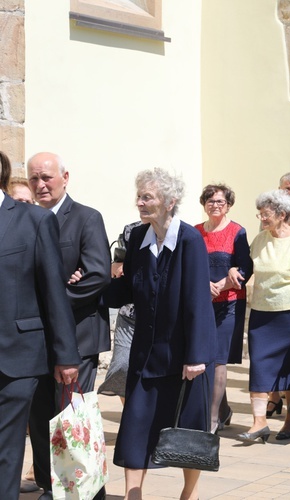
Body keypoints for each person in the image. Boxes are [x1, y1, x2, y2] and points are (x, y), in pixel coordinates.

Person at [104, 167, 216, 499]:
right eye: (139, 196)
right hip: (146, 353)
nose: (139, 202)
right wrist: (93, 286)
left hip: (183, 357)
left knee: (187, 430)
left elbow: (197, 300)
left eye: (147, 197)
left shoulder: (190, 240)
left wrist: (197, 356)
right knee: (135, 426)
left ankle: (189, 492)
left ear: (170, 201)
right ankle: (133, 493)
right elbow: (127, 289)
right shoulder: (138, 237)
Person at [27, 152, 111, 499]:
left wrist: (55, 296)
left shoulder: (86, 218)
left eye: (46, 177)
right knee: (40, 418)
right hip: (37, 339)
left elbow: (96, 274)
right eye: (34, 179)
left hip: (78, 338)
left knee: (73, 418)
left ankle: (84, 489)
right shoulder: (27, 219)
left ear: (64, 177)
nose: (40, 184)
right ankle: (50, 485)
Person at [0, 155, 80, 500]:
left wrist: (66, 356)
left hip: (17, 356)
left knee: (7, 449)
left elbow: (53, 291)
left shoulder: (34, 220)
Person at [241, 189, 290, 442]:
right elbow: (246, 270)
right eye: (260, 214)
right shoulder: (260, 239)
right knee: (260, 367)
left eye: (266, 215)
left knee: (288, 370)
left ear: (282, 215)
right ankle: (259, 422)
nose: (261, 219)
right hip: (262, 316)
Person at [196, 184, 251, 432]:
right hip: (202, 303)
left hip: (229, 302)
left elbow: (245, 268)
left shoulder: (237, 232)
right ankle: (225, 409)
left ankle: (212, 419)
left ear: (228, 205)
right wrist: (203, 284)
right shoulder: (195, 232)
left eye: (220, 201)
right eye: (210, 200)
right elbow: (189, 266)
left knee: (218, 360)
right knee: (206, 358)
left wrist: (222, 282)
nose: (215, 205)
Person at [97, 221, 141, 404]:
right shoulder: (131, 230)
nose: (142, 203)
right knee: (122, 366)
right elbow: (119, 261)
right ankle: (130, 417)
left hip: (161, 317)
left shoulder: (180, 232)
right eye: (140, 197)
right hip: (129, 312)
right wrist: (117, 265)